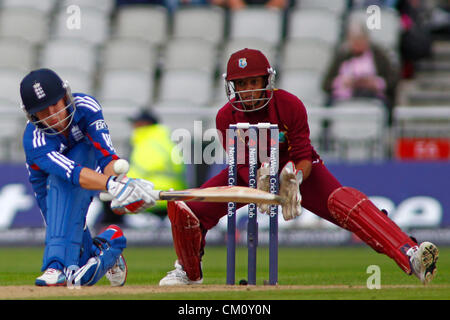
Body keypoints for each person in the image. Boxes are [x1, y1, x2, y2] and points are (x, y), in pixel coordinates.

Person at [157, 48, 439, 286]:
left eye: (253, 82)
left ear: (266, 80)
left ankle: (411, 254)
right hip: (250, 172)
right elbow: (242, 166)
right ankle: (189, 272)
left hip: (297, 168)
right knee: (187, 207)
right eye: (240, 84)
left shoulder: (289, 104)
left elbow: (304, 154)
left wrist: (292, 180)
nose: (247, 91)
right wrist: (263, 186)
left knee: (345, 202)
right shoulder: (226, 116)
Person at [20, 68, 157, 287]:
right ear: (32, 115)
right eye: (43, 112)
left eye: (55, 104)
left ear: (66, 95)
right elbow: (70, 172)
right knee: (80, 261)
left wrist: (121, 184)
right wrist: (112, 186)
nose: (53, 115)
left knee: (83, 151)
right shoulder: (35, 139)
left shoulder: (86, 107)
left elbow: (107, 156)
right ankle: (110, 243)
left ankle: (54, 266)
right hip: (50, 189)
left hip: (85, 168)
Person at [101, 108, 187, 224]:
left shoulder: (146, 144)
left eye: (136, 123)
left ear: (145, 124)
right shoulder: (166, 142)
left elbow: (139, 174)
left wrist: (113, 182)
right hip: (172, 199)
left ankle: (108, 234)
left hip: (153, 199)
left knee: (109, 197)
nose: (133, 126)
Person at [322, 20, 399, 113]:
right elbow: (326, 84)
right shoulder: (342, 56)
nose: (357, 45)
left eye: (360, 40)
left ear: (367, 39)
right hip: (346, 98)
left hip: (373, 96)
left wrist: (376, 83)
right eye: (354, 41)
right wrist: (343, 82)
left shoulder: (379, 55)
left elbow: (392, 79)